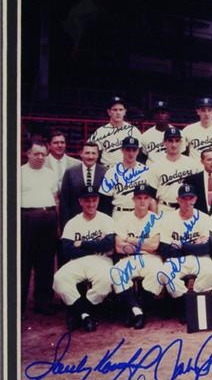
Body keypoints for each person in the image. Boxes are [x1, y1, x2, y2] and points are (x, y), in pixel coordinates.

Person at [53, 186, 115, 332]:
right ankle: (85, 314)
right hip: (78, 261)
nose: (91, 204)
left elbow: (108, 244)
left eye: (94, 200)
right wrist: (95, 247)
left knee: (106, 280)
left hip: (101, 260)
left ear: (98, 200)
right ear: (80, 202)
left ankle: (78, 311)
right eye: (87, 201)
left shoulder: (106, 219)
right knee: (59, 278)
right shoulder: (73, 222)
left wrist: (82, 244)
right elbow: (67, 250)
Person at [156, 184, 212, 322]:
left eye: (191, 198)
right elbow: (165, 249)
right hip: (177, 260)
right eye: (184, 198)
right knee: (165, 273)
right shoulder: (168, 218)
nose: (188, 202)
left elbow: (206, 248)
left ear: (195, 199)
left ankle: (193, 301)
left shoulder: (204, 218)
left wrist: (181, 245)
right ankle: (186, 305)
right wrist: (193, 246)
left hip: (200, 258)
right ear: (178, 200)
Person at [111, 184, 163, 329]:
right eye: (139, 198)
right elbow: (118, 247)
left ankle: (136, 310)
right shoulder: (124, 219)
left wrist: (130, 239)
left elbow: (154, 245)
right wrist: (143, 244)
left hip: (151, 258)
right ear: (133, 200)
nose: (142, 201)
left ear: (150, 200)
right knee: (117, 271)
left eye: (146, 198)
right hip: (129, 257)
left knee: (158, 272)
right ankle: (138, 311)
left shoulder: (156, 218)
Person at [21, 139, 60, 316]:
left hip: (48, 218)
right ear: (27, 154)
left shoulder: (50, 174)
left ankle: (43, 303)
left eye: (43, 154)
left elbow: (54, 196)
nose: (39, 157)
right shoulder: (19, 173)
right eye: (35, 153)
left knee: (45, 262)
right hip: (27, 219)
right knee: (24, 262)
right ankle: (19, 306)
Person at [99, 136, 154, 225]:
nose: (131, 153)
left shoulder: (146, 171)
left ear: (138, 151)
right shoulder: (112, 172)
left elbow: (152, 198)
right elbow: (105, 201)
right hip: (119, 213)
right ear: (122, 150)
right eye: (128, 149)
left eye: (134, 150)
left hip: (141, 215)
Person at [147, 127, 199, 213]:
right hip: (165, 209)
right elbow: (152, 197)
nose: (174, 144)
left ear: (181, 142)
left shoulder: (192, 164)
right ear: (164, 143)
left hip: (187, 209)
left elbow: (198, 191)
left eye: (177, 140)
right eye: (170, 141)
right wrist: (154, 219)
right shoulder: (155, 166)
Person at [60, 141, 108, 229]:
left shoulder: (106, 172)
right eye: (87, 153)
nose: (90, 156)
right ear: (81, 154)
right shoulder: (70, 172)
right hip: (75, 221)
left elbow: (108, 202)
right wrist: (64, 225)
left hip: (99, 222)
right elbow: (64, 201)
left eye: (94, 153)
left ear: (98, 155)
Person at [90, 96, 142, 167]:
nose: (118, 112)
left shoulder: (133, 130)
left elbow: (140, 153)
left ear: (125, 112)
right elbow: (92, 152)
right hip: (107, 169)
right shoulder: (100, 131)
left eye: (121, 110)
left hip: (127, 169)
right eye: (115, 110)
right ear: (109, 112)